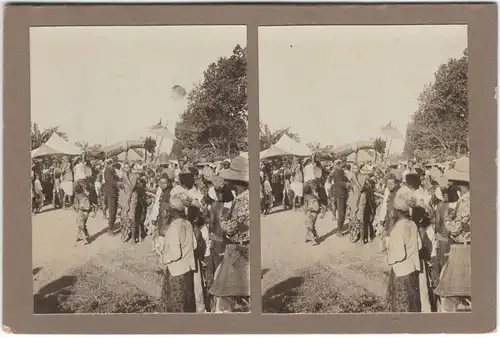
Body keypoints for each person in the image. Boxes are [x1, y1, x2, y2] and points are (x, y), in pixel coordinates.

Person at [210, 156, 250, 313]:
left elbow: (231, 228)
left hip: (238, 249)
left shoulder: (242, 201)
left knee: (230, 294)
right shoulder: (244, 198)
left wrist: (222, 220)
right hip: (242, 248)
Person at [434, 157, 471, 312]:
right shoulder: (468, 199)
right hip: (466, 248)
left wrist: (448, 218)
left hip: (462, 249)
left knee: (452, 297)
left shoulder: (466, 201)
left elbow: (455, 229)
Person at [160, 195, 197, 313]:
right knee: (187, 301)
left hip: (176, 271)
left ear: (172, 210)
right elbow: (194, 245)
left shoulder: (173, 229)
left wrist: (164, 258)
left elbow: (175, 254)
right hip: (187, 269)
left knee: (176, 303)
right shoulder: (188, 224)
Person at [386, 195, 422, 312]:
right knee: (412, 301)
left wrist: (390, 259)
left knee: (402, 303)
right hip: (412, 268)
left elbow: (399, 254)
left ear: (397, 210)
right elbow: (419, 246)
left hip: (401, 270)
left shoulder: (398, 228)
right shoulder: (412, 224)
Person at [355, 177, 377, 244]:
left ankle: (362, 238)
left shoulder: (364, 191)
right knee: (367, 223)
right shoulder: (368, 189)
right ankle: (368, 237)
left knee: (362, 222)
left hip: (364, 208)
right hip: (367, 207)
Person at [332, 159, 351, 236]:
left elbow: (346, 179)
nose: (343, 164)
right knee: (341, 213)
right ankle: (339, 230)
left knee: (343, 212)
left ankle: (340, 228)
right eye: (342, 163)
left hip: (343, 193)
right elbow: (339, 182)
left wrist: (349, 181)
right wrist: (347, 184)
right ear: (338, 164)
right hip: (340, 194)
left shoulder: (341, 171)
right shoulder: (336, 172)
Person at [103, 161, 120, 236]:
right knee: (112, 211)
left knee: (114, 211)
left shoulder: (111, 170)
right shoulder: (107, 170)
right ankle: (110, 229)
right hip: (111, 193)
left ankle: (111, 227)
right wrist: (118, 183)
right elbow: (111, 181)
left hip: (114, 192)